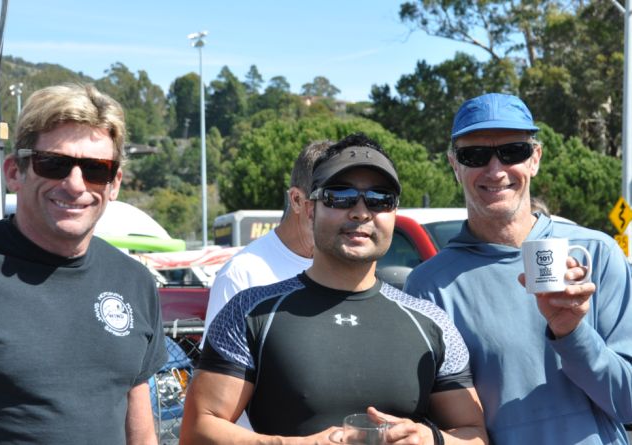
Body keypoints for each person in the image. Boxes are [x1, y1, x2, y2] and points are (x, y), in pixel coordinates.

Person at [180, 133, 488, 444]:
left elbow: (475, 435)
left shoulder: (431, 322)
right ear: (310, 210)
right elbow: (196, 432)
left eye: (380, 199)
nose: (360, 212)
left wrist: (430, 439)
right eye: (340, 196)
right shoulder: (251, 311)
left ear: (393, 214)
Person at [404, 93, 632, 444]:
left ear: (535, 159)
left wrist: (573, 334)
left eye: (513, 152)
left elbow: (628, 403)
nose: (495, 170)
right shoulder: (429, 286)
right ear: (454, 165)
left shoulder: (595, 254)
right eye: (475, 156)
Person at [0, 83, 167, 445]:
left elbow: (140, 430)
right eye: (54, 164)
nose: (75, 185)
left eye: (96, 169)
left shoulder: (134, 280)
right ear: (14, 172)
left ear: (114, 183)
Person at [202, 139, 332, 340]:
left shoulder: (347, 269)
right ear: (296, 200)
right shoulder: (241, 275)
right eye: (331, 199)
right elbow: (216, 369)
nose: (346, 213)